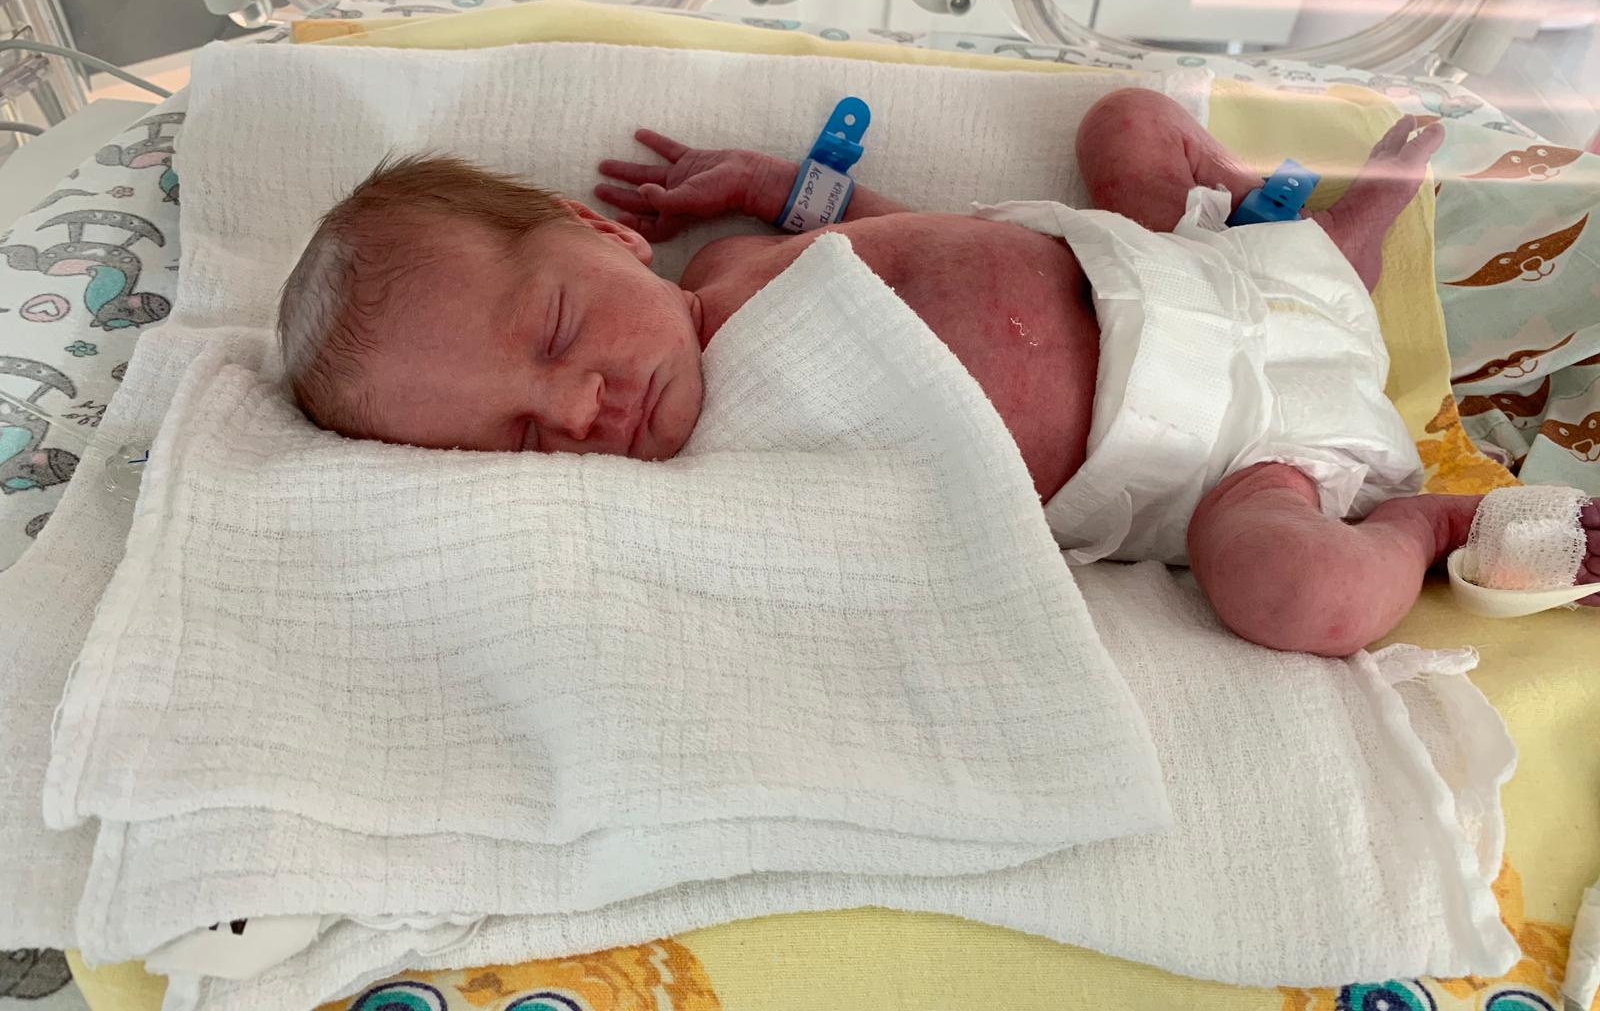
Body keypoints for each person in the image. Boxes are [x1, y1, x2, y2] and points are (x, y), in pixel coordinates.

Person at [277, 88, 1600, 656]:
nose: (580, 409)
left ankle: (1325, 244)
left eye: (560, 334)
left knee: (1128, 123)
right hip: (1236, 454)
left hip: (1166, 264)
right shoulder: (713, 481)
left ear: (606, 232)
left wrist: (777, 183)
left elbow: (920, 238)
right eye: (521, 440)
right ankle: (1433, 524)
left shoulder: (735, 265)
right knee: (1293, 593)